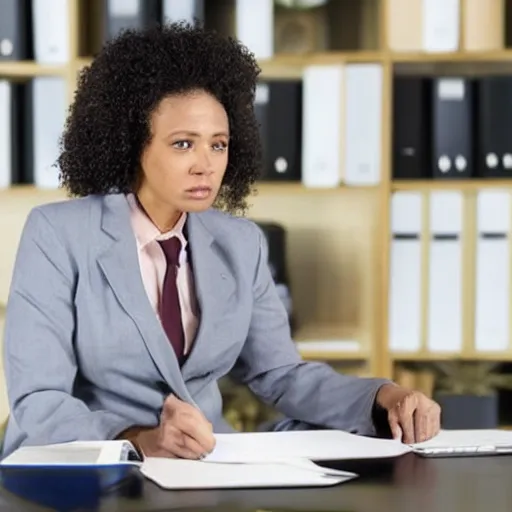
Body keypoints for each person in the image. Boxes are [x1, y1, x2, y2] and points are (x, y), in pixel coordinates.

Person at [1, 22, 440, 459]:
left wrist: (384, 397)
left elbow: (282, 374)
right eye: (183, 144)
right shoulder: (58, 234)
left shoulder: (241, 243)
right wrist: (140, 439)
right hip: (84, 464)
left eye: (218, 145)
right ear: (133, 144)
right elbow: (39, 400)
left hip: (201, 465)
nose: (205, 165)